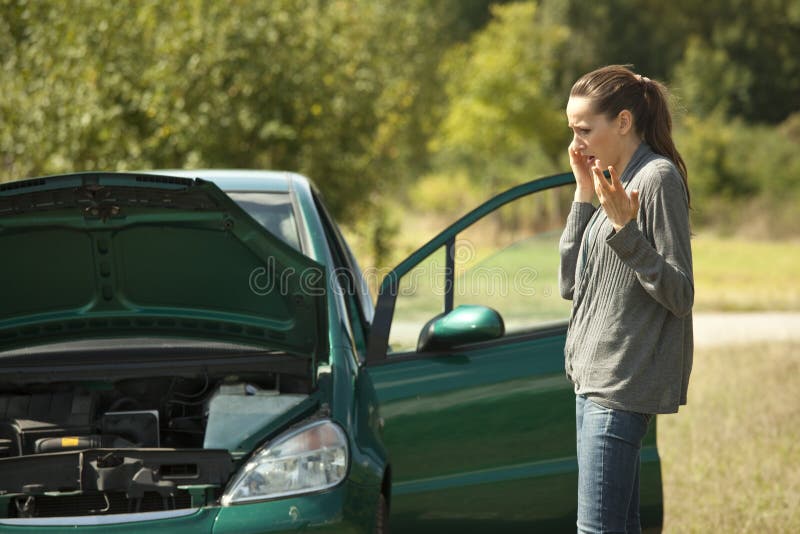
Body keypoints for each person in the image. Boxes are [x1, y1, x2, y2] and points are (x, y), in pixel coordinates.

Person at [559, 65, 693, 533]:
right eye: (572, 131)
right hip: (590, 384)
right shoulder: (609, 182)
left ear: (622, 122)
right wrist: (583, 195)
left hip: (620, 386)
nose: (576, 144)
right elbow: (570, 285)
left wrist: (625, 230)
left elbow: (680, 294)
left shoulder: (656, 180)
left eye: (583, 130)